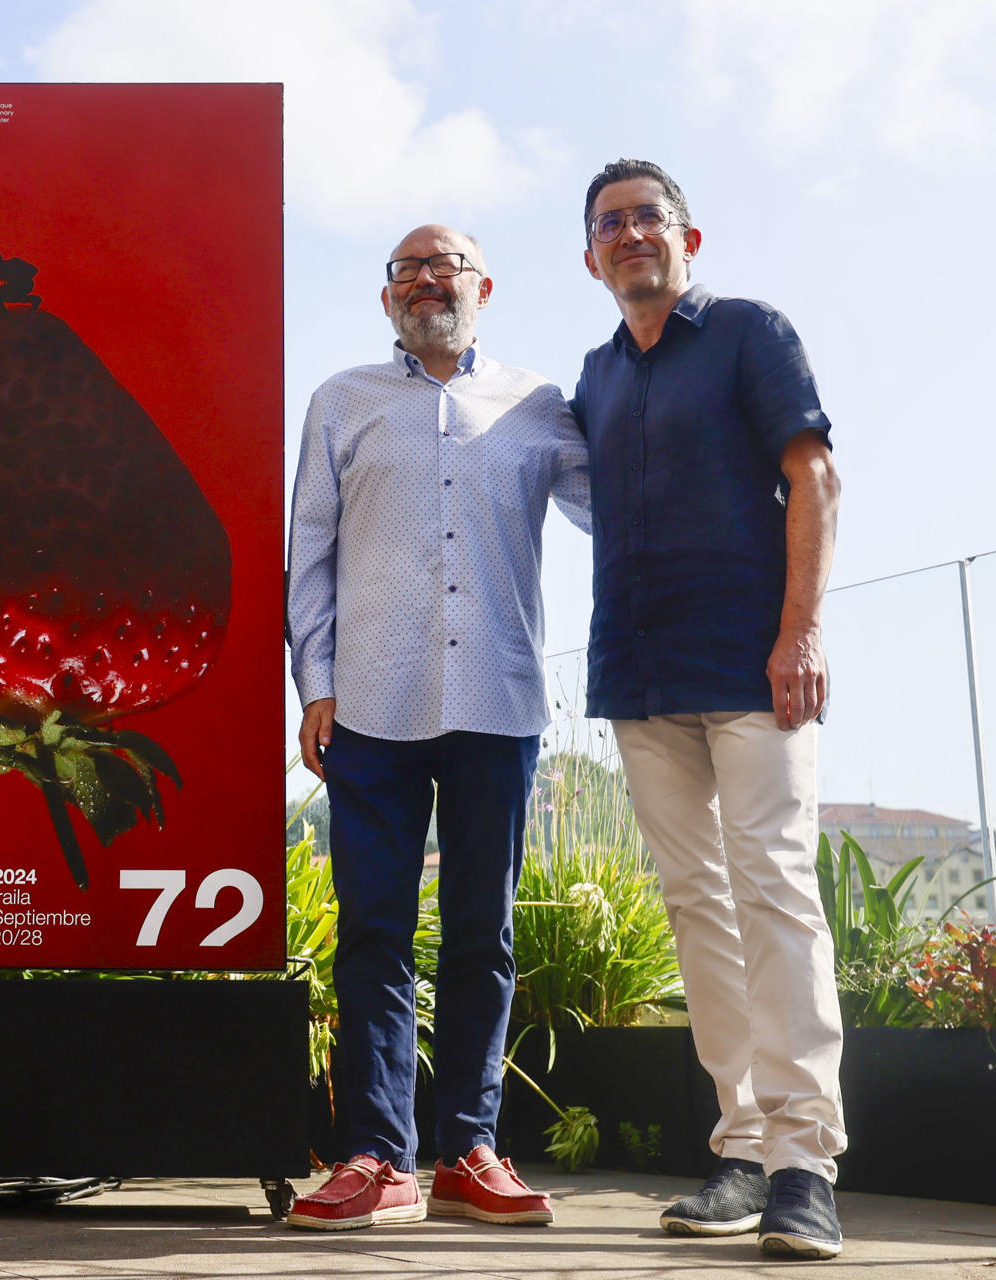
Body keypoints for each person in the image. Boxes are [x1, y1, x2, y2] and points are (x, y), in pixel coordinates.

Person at [285, 224, 591, 1231]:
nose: (427, 280)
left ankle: (468, 1147)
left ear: (483, 286)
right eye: (408, 269)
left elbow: (622, 507)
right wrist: (315, 681)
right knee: (373, 932)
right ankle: (377, 1153)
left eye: (445, 265)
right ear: (387, 299)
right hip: (371, 704)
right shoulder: (341, 401)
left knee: (482, 933)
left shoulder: (543, 406)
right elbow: (311, 552)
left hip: (498, 705)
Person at [570, 159, 847, 1261]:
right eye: (610, 224)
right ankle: (739, 1143)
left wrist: (801, 630)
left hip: (752, 666)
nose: (631, 233)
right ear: (590, 255)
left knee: (775, 889)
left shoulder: (747, 332)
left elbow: (814, 477)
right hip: (639, 676)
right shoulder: (592, 377)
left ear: (690, 236)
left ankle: (804, 1161)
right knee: (698, 906)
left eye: (649, 217)